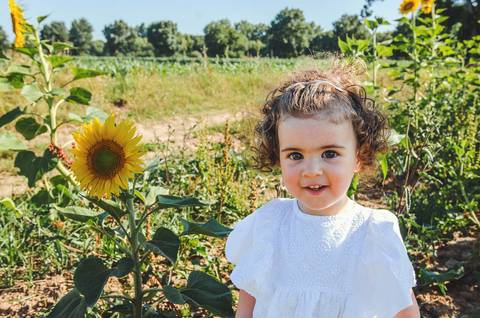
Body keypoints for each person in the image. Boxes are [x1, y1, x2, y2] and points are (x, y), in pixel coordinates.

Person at [224, 60, 421, 318]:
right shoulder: (269, 224)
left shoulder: (372, 234)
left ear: (359, 156)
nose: (312, 170)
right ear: (278, 156)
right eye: (295, 155)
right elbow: (249, 302)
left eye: (329, 153)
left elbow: (405, 312)